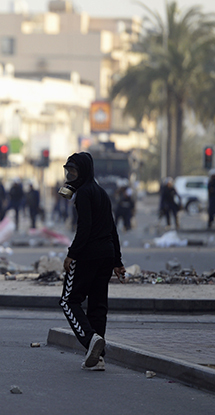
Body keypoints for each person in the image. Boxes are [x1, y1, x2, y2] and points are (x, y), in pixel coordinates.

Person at [59, 152, 125, 371]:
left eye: (74, 171)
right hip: (106, 255)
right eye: (68, 171)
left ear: (84, 172)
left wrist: (72, 253)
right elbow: (112, 229)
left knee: (69, 301)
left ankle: (90, 340)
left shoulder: (85, 194)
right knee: (98, 305)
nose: (70, 176)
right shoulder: (101, 193)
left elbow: (84, 227)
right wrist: (117, 260)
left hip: (88, 254)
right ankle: (98, 358)